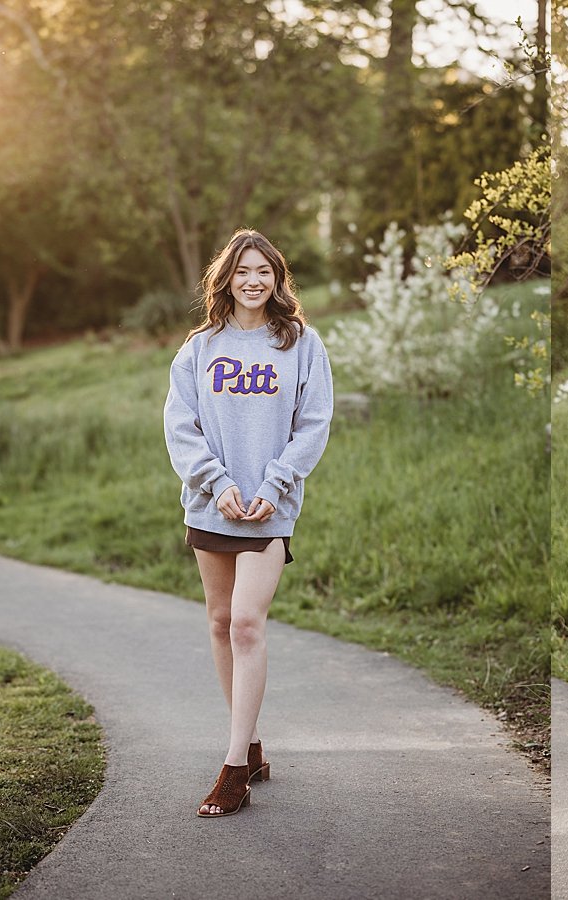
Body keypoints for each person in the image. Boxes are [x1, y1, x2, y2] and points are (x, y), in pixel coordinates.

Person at [164, 229, 334, 818]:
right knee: (217, 620)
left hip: (269, 506)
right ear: (226, 280)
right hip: (212, 503)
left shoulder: (302, 344)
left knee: (244, 624)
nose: (254, 280)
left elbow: (312, 425)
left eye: (264, 270)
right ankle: (252, 745)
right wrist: (218, 483)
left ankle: (234, 769)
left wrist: (271, 486)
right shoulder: (200, 348)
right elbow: (180, 426)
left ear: (278, 278)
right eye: (243, 271)